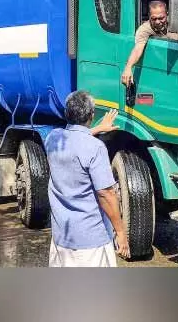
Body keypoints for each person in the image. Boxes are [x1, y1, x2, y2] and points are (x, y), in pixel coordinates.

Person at [44, 90, 129, 267]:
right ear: (91, 115)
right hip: (90, 243)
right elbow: (106, 194)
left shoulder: (53, 138)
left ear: (67, 113)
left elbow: (75, 139)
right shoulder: (96, 148)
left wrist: (97, 129)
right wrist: (120, 232)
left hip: (62, 237)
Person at [121, 0, 178, 86]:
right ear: (149, 16)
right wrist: (128, 67)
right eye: (154, 18)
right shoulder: (145, 29)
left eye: (161, 18)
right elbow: (138, 48)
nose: (157, 22)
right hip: (162, 67)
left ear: (167, 14)